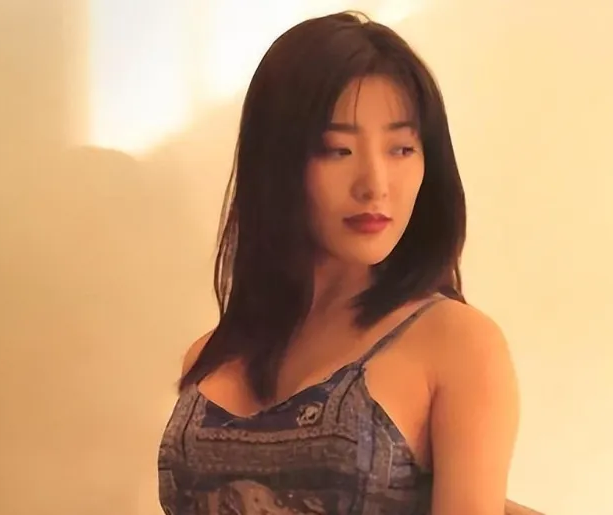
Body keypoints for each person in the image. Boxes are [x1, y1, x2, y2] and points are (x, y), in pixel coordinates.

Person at [159, 11, 534, 515]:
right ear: (276, 162)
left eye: (402, 148)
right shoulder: (210, 354)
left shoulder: (457, 344)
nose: (375, 183)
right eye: (338, 150)